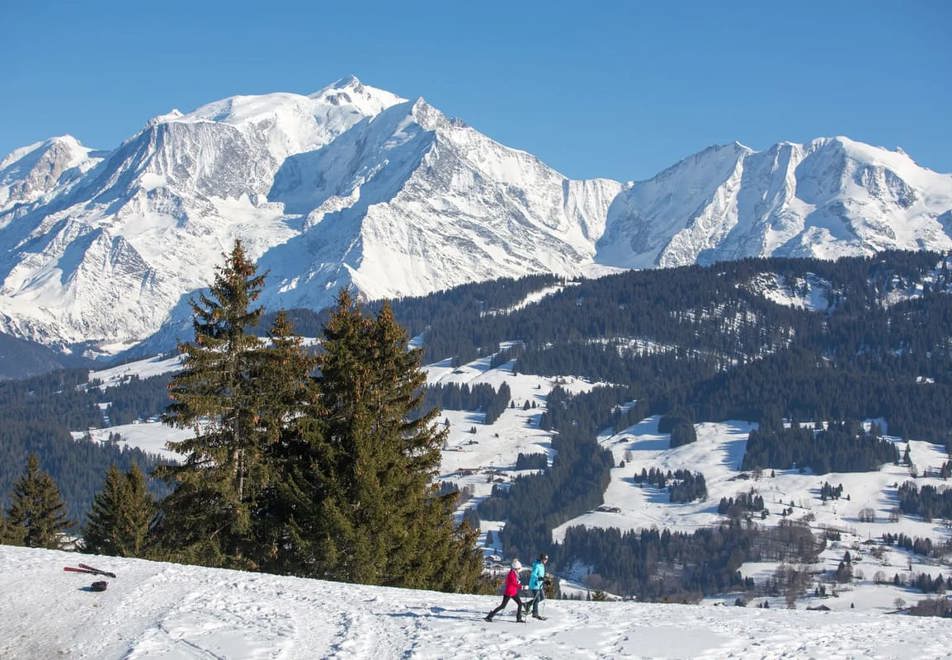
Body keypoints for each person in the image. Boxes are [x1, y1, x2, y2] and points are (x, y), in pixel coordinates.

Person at [524, 553, 549, 619]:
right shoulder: (537, 565)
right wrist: (539, 578)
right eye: (545, 559)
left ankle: (528, 604)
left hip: (539, 585)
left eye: (547, 559)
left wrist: (545, 580)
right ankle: (535, 614)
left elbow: (541, 575)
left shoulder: (542, 565)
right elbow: (533, 574)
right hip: (534, 584)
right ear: (542, 559)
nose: (546, 560)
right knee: (537, 599)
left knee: (542, 597)